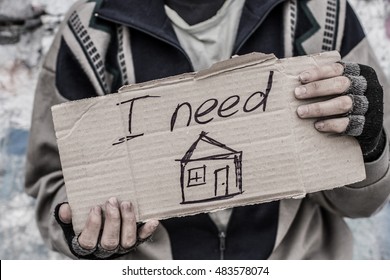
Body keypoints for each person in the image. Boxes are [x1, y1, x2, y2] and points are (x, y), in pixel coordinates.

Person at [25, 0, 390, 259]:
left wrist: (368, 142)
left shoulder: (323, 14)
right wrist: (85, 234)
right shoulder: (90, 31)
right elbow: (54, 186)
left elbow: (366, 201)